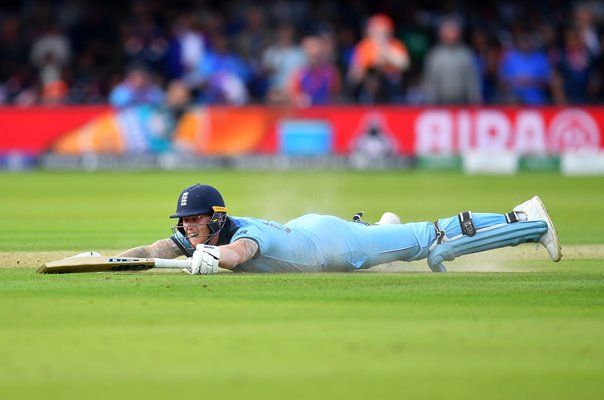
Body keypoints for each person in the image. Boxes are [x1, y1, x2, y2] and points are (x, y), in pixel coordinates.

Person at [117, 184, 562, 274]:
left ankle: (523, 219)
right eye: (185, 221)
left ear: (215, 217)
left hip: (339, 244)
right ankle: (386, 230)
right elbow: (157, 247)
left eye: (195, 218)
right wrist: (114, 258)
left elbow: (240, 254)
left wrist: (215, 259)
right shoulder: (202, 234)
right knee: (402, 239)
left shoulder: (239, 239)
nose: (189, 227)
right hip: (308, 231)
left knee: (433, 239)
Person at [423, 19, 481, 105]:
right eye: (448, 31)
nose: (451, 34)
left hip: (462, 102)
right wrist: (430, 102)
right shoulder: (435, 55)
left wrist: (475, 100)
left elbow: (472, 80)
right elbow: (430, 81)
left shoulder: (466, 54)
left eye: (453, 31)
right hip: (440, 103)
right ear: (441, 34)